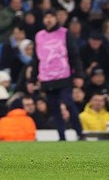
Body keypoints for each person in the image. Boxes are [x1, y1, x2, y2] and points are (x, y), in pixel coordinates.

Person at [29, 9, 84, 140]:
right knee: (54, 108)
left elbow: (74, 55)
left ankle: (79, 132)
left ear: (56, 18)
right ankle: (61, 136)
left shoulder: (64, 33)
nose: (48, 19)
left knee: (68, 103)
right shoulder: (39, 36)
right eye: (46, 17)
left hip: (63, 75)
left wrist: (78, 75)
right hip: (47, 77)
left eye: (51, 16)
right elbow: (36, 59)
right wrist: (32, 79)